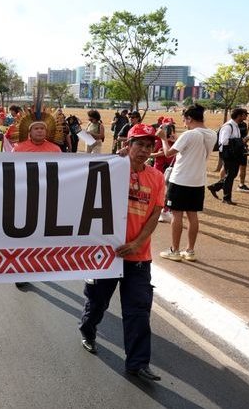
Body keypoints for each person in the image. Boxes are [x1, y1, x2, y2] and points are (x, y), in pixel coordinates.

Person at [79, 123, 166, 382]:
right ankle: (88, 331)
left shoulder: (157, 178)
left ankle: (138, 363)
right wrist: (111, 163)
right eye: (139, 144)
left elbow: (155, 213)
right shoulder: (111, 169)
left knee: (139, 310)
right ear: (128, 145)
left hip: (138, 257)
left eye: (149, 146)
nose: (144, 150)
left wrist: (139, 242)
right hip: (106, 256)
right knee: (97, 303)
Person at [156, 104, 217, 261]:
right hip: (198, 181)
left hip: (181, 179)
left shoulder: (189, 135)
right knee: (192, 216)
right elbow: (194, 148)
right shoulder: (211, 134)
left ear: (189, 118)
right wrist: (176, 140)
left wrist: (164, 139)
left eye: (184, 120)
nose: (184, 123)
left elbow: (168, 154)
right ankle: (190, 250)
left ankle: (174, 250)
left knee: (177, 215)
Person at [13, 119, 61, 288]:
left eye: (42, 128)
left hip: (47, 199)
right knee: (23, 238)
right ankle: (22, 270)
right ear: (30, 131)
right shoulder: (18, 149)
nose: (40, 131)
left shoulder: (55, 150)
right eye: (37, 128)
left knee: (41, 237)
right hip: (23, 198)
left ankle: (38, 266)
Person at [207, 108, 248, 205]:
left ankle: (215, 187)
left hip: (234, 154)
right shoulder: (228, 126)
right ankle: (226, 198)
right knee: (230, 175)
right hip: (228, 154)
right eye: (245, 114)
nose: (246, 116)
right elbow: (224, 141)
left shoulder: (236, 126)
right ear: (239, 115)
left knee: (231, 175)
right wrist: (241, 141)